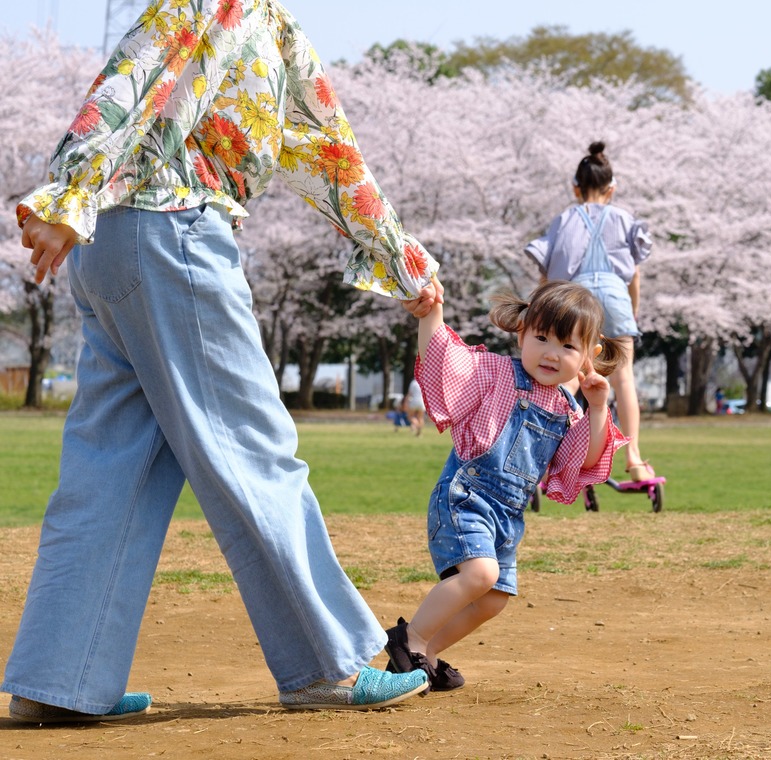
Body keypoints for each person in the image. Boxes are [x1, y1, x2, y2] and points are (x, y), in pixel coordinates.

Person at [6, 0, 436, 722]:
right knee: (251, 447)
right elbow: (133, 77)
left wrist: (399, 259)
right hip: (173, 232)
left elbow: (328, 151)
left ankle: (58, 684)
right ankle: (325, 665)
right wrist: (69, 189)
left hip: (114, 241)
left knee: (111, 469)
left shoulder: (273, 25)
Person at [385, 279, 627, 691]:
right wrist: (431, 314)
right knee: (480, 574)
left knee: (494, 599)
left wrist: (599, 406)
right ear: (521, 333)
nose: (551, 353)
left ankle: (428, 655)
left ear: (590, 354)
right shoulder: (495, 373)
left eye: (568, 346)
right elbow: (445, 363)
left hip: (508, 515)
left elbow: (584, 460)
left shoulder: (569, 410)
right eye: (541, 338)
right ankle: (410, 640)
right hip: (467, 496)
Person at [525, 141, 654, 482]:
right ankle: (635, 460)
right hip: (616, 298)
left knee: (568, 376)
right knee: (623, 378)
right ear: (612, 189)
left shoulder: (564, 219)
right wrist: (631, 312)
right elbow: (634, 276)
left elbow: (547, 275)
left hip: (577, 299)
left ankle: (544, 453)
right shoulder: (624, 219)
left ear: (575, 188)